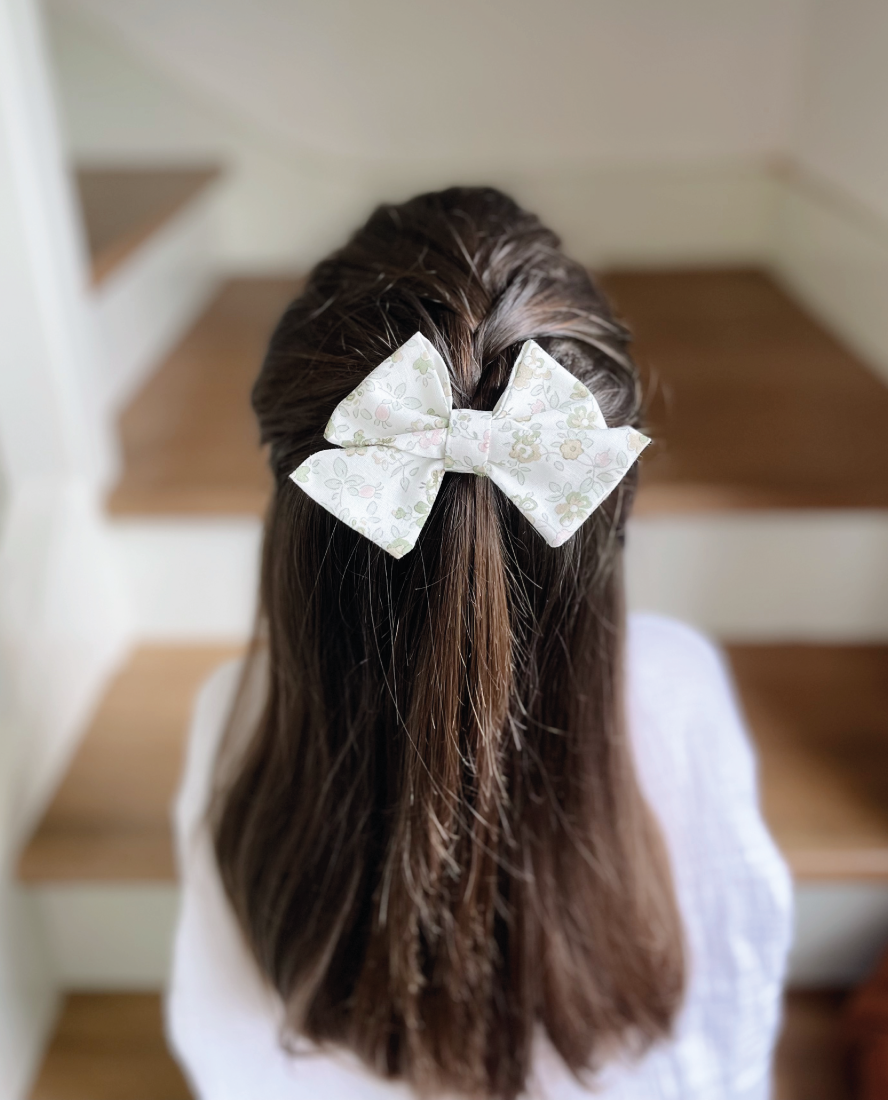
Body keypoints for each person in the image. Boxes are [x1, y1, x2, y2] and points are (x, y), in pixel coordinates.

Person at [166, 187, 792, 1099]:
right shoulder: (682, 690)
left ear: (298, 521)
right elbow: (734, 1008)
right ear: (600, 510)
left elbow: (219, 1047)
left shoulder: (226, 717)